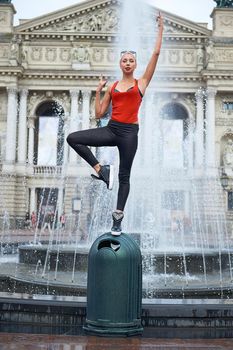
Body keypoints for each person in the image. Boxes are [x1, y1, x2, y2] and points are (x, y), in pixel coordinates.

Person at [67, 12, 164, 236]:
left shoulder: (141, 83)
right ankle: (101, 170)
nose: (128, 63)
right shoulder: (112, 86)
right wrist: (99, 90)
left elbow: (156, 53)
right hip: (112, 129)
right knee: (73, 138)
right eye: (124, 60)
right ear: (120, 64)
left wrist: (160, 29)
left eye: (131, 60)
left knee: (124, 177)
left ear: (135, 64)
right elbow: (99, 113)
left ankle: (117, 219)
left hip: (130, 133)